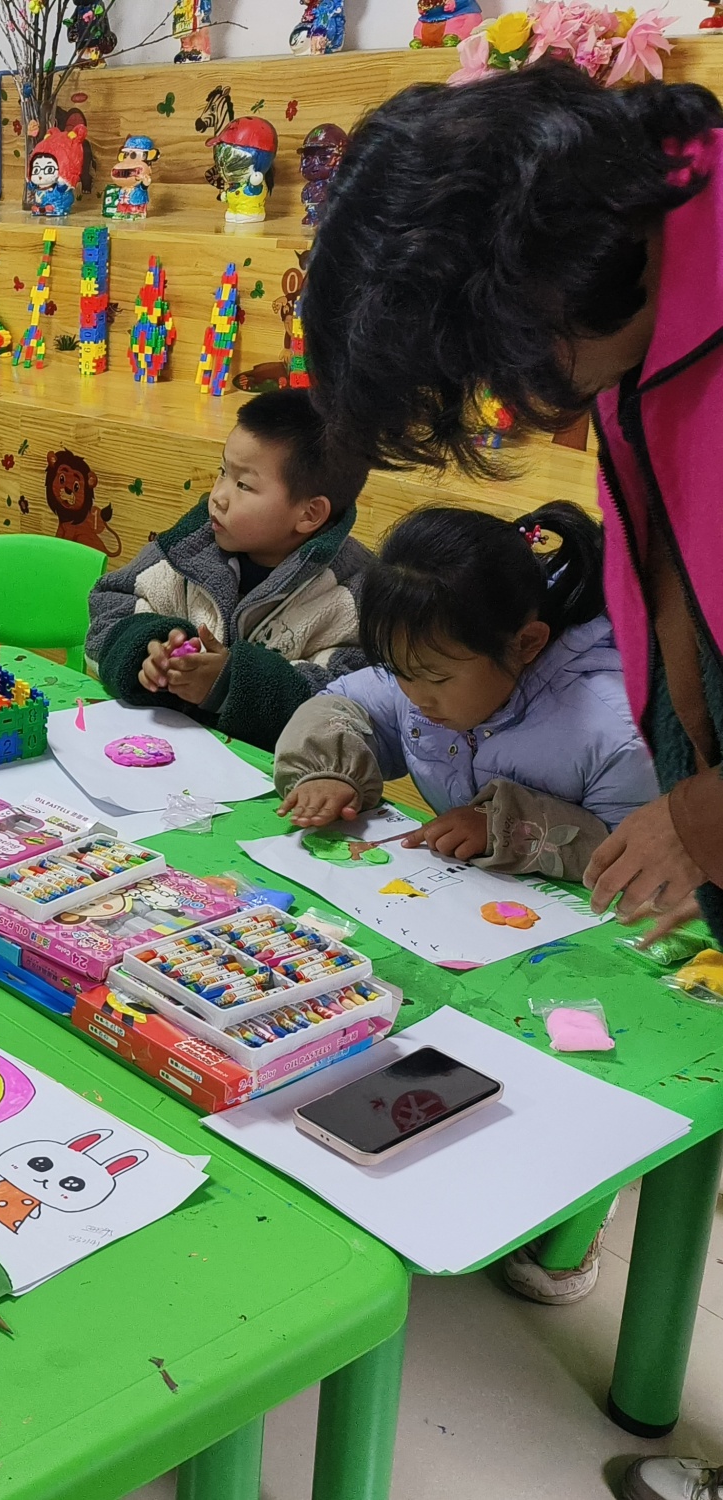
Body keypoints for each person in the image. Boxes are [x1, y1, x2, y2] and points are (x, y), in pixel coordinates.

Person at [299, 68, 723, 1006]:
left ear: (529, 285)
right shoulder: (633, 342)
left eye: (489, 362)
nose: (508, 397)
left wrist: (704, 817)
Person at [276, 501, 654, 865]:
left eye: (437, 677)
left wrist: (506, 830)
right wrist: (330, 771)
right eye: (398, 670)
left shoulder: (615, 735)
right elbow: (341, 703)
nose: (416, 696)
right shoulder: (424, 666)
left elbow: (635, 855)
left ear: (526, 644)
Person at [86, 388, 374, 751]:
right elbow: (107, 609)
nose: (218, 496)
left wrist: (229, 685)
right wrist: (147, 652)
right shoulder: (190, 545)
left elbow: (350, 710)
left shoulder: (356, 596)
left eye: (243, 485)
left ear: (309, 514)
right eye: (223, 471)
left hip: (278, 778)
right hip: (163, 753)